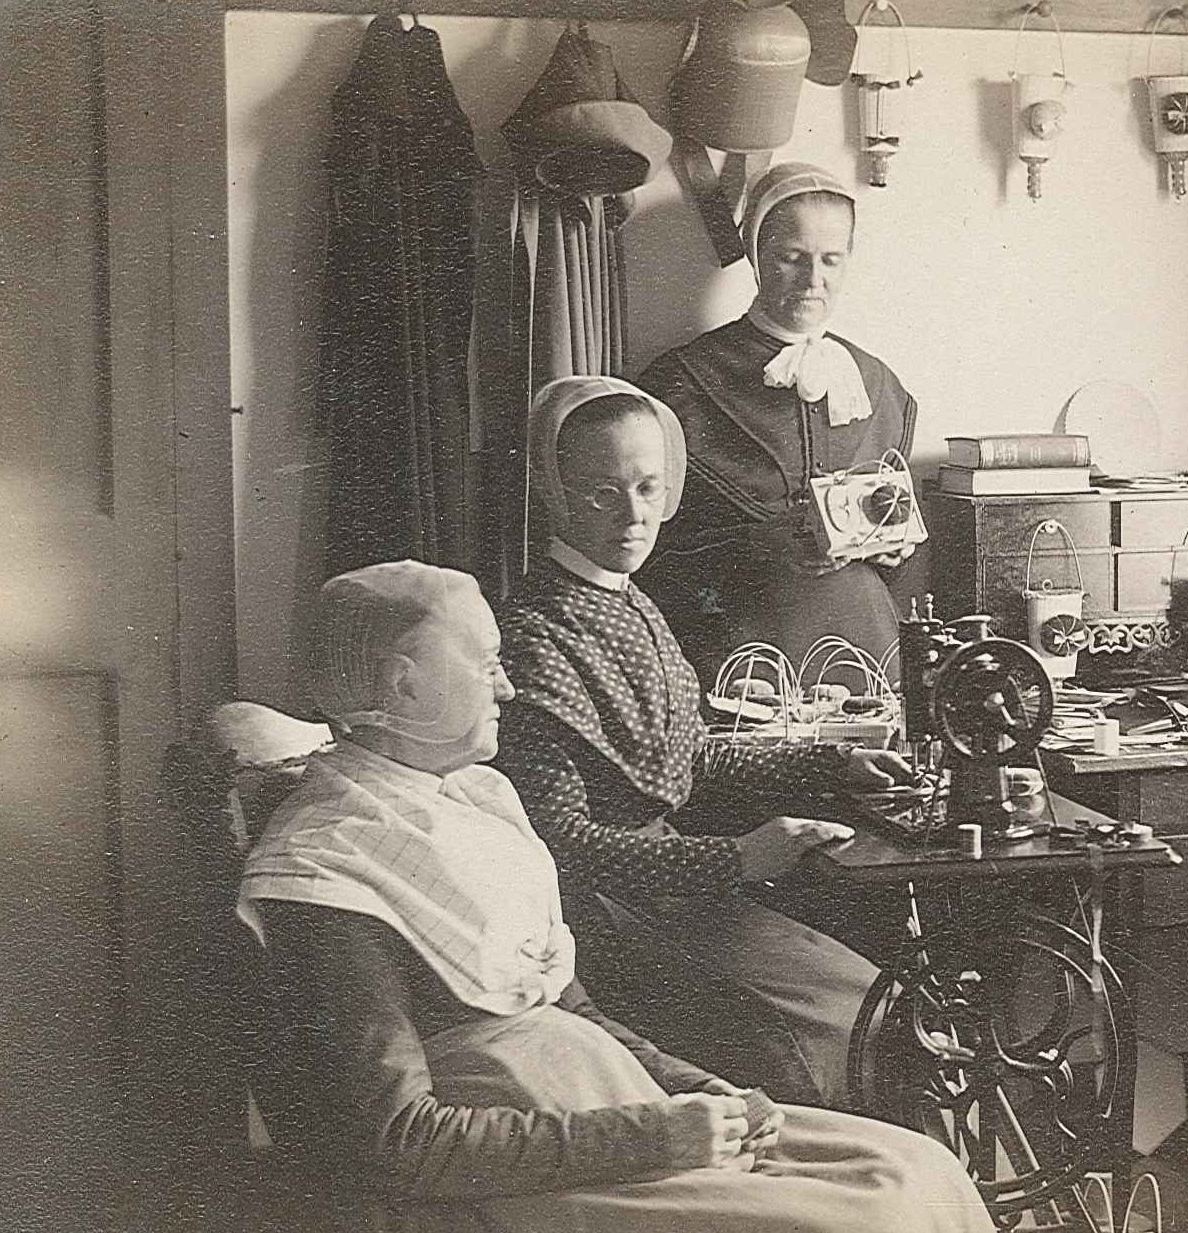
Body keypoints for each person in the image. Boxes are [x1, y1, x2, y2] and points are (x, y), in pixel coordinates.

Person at [239, 561, 989, 1232]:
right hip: (539, 1172)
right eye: (488, 664)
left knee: (916, 1167)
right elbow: (407, 1141)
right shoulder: (328, 868)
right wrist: (656, 1137)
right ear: (404, 682)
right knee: (871, 1217)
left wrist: (707, 1092)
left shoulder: (473, 800)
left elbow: (573, 1011)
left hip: (611, 1110)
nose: (507, 686)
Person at [493, 374, 903, 1107]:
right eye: (601, 493)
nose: (632, 515)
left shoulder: (630, 601)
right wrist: (738, 857)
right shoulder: (534, 631)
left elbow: (689, 756)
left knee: (877, 989)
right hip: (606, 919)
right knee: (852, 1014)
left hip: (670, 890)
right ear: (553, 492)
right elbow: (558, 841)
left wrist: (835, 758)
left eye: (648, 489)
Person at [634, 162, 919, 680]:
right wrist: (754, 547)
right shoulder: (682, 384)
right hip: (739, 659)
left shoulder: (882, 387)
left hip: (872, 656)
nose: (815, 280)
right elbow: (644, 558)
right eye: (793, 258)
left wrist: (892, 549)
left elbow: (899, 563)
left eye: (832, 260)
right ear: (757, 255)